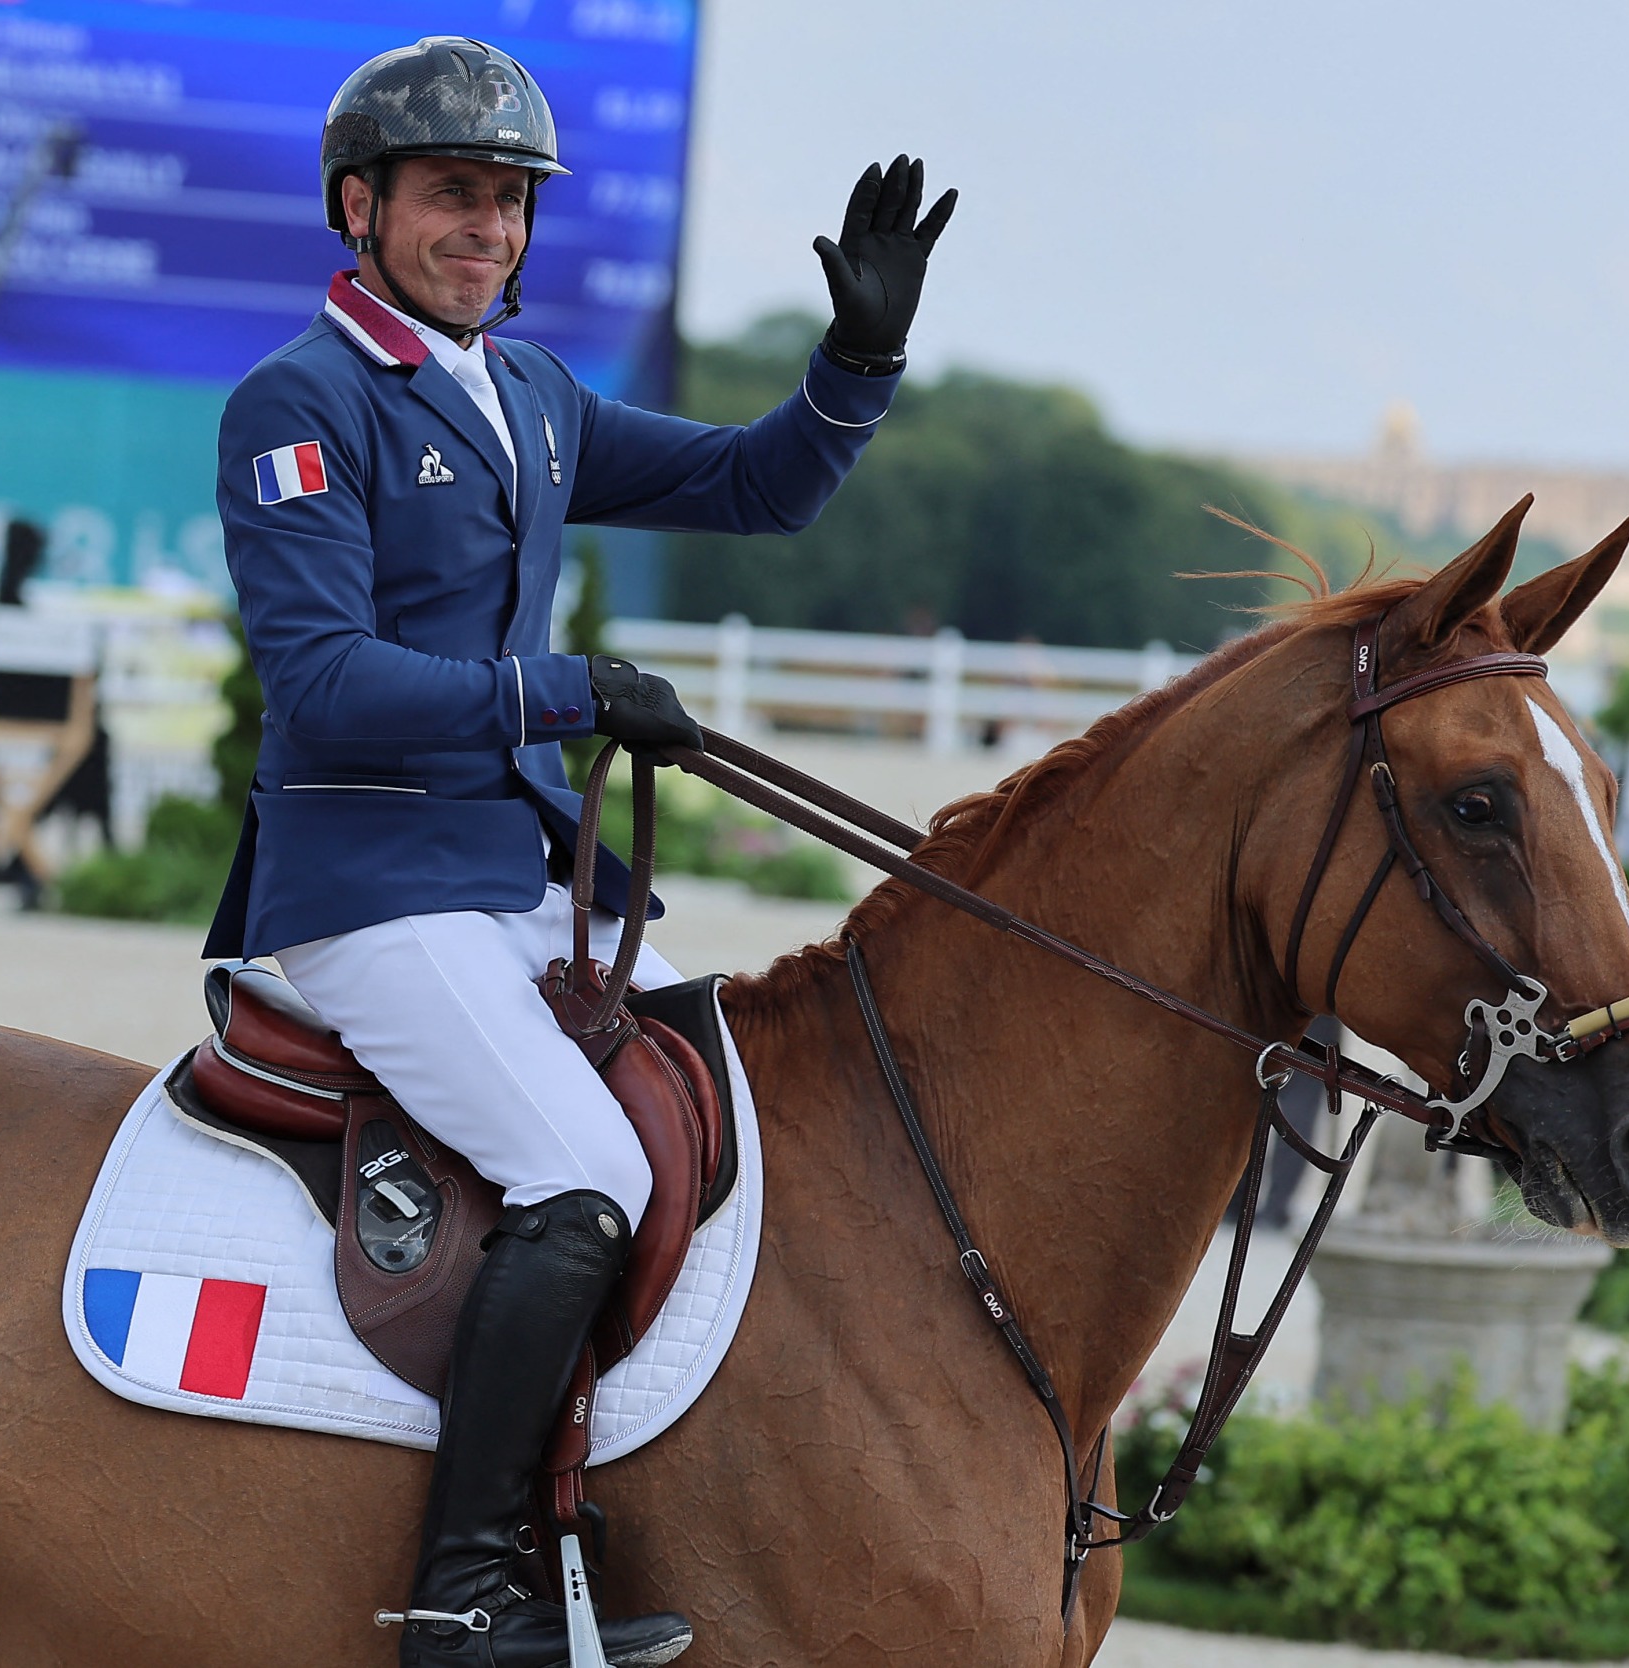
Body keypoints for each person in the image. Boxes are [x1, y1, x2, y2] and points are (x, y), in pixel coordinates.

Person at [204, 37, 952, 1668]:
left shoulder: (529, 394)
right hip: (373, 886)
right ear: (363, 205)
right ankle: (461, 1588)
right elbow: (322, 674)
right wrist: (564, 687)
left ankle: (662, 1484)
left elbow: (756, 489)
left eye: (509, 201)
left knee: (744, 1106)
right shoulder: (299, 402)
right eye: (453, 194)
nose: (488, 227)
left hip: (512, 873)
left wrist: (857, 359)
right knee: (590, 1166)